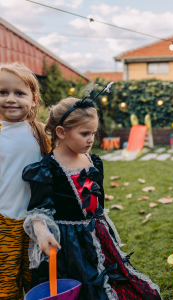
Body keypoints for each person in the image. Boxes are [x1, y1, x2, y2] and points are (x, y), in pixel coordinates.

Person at [22, 84, 162, 300]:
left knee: (108, 279)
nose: (91, 139)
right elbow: (39, 209)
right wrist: (43, 232)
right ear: (62, 132)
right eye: (84, 133)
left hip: (97, 233)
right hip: (68, 243)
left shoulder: (93, 160)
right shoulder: (47, 169)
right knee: (82, 285)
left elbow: (98, 201)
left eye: (93, 133)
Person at [0, 62, 50, 299]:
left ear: (33, 99)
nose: (11, 99)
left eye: (19, 93)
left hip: (36, 222)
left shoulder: (39, 132)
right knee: (6, 283)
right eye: (3, 92)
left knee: (35, 280)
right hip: (4, 221)